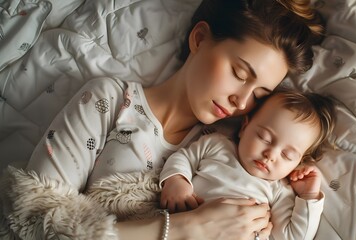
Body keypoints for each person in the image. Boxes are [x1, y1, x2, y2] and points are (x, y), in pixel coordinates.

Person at [0, 0, 325, 239]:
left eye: (259, 96)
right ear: (199, 39)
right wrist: (188, 227)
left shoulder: (239, 147)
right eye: (239, 73)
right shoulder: (111, 101)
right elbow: (32, 217)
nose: (241, 101)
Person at [160, 89, 336, 240]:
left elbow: (293, 236)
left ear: (298, 163)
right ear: (244, 127)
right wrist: (176, 180)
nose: (271, 155)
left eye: (287, 155)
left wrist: (309, 196)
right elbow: (183, 157)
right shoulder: (216, 145)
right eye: (264, 138)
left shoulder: (279, 190)